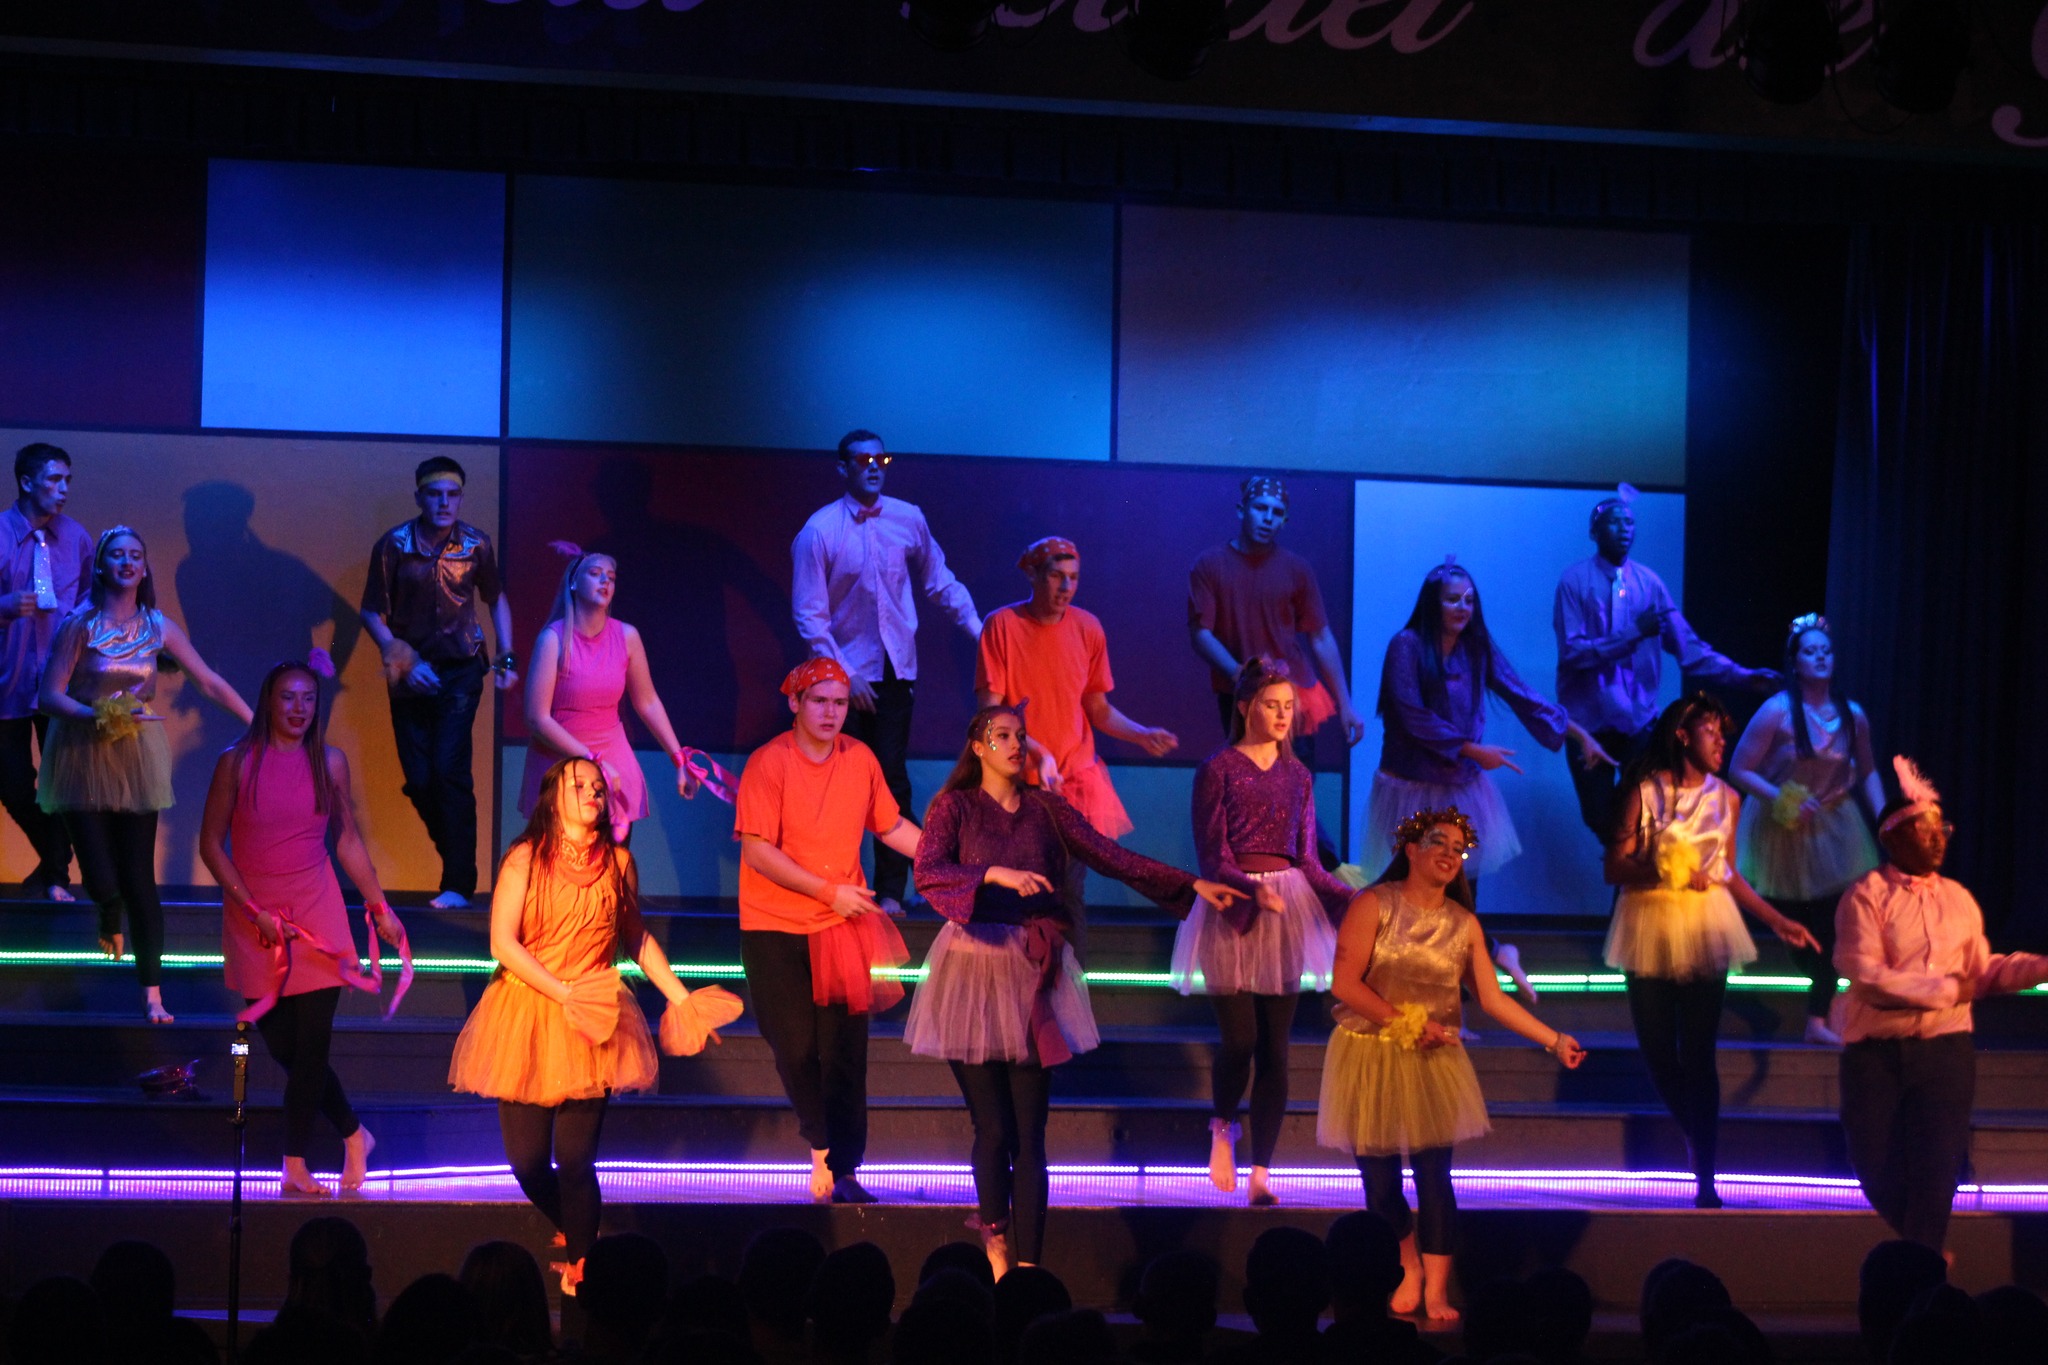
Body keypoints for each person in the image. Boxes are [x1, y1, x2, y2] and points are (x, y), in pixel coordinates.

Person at [908, 702, 1243, 1278]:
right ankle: (995, 1239)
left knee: (1030, 1133)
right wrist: (991, 874)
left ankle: (1030, 1269)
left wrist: (1191, 883)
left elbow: (1111, 856)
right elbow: (929, 871)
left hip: (1032, 969)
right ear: (979, 747)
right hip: (972, 968)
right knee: (993, 1128)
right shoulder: (954, 807)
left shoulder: (1046, 809)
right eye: (1003, 735)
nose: (1017, 744)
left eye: (1021, 735)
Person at [447, 756, 741, 1293]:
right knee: (528, 1161)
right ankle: (579, 1226)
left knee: (576, 1157)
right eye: (578, 784)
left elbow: (636, 937)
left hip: (596, 1015)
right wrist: (563, 994)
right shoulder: (525, 858)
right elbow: (502, 944)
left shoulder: (619, 863)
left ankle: (585, 1268)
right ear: (552, 796)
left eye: (598, 787)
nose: (591, 792)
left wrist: (683, 1000)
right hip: (528, 1010)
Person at [1319, 807, 1585, 1322]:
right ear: (1410, 849)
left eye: (1458, 849)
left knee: (1434, 1177)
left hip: (1433, 1058)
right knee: (1380, 1182)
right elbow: (1345, 984)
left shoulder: (1463, 924)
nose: (1449, 854)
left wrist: (1554, 1041)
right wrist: (1406, 1022)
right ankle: (1407, 1265)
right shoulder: (1373, 903)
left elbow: (1493, 998)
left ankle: (1438, 1289)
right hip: (1369, 1051)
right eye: (1438, 842)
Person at [1601, 693, 1820, 1208]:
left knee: (1699, 1053)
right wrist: (1662, 869)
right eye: (1711, 732)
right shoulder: (1646, 792)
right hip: (1650, 923)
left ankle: (1705, 1172)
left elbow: (1728, 873)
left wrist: (1776, 920)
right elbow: (1614, 866)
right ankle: (1696, 1133)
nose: (1722, 742)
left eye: (1724, 734)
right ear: (1683, 735)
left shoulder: (1727, 798)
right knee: (1658, 1051)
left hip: (1705, 926)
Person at [200, 659, 403, 1196]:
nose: (298, 708)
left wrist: (380, 907)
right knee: (285, 1048)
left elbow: (347, 840)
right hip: (255, 918)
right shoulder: (235, 762)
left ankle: (294, 1163)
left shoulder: (329, 762)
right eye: (288, 697)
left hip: (317, 912)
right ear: (269, 701)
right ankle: (355, 1133)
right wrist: (252, 910)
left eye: (308, 698)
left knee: (311, 1046)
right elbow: (210, 844)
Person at [38, 526, 252, 1023]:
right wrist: (95, 715)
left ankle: (152, 992)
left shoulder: (158, 626)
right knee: (101, 875)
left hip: (135, 756)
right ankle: (107, 909)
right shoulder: (80, 625)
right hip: (83, 753)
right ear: (101, 566)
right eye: (118, 554)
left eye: (136, 555)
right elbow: (48, 695)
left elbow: (208, 681)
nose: (128, 562)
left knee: (139, 877)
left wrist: (255, 720)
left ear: (144, 567)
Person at [1835, 758, 2048, 1251]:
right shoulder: (1865, 897)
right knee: (1871, 1161)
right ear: (1893, 837)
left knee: (1938, 1167)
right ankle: (1925, 1255)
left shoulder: (1959, 899)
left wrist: (2040, 967)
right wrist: (1948, 991)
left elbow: (1981, 972)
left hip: (1945, 1051)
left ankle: (1925, 1264)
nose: (1939, 839)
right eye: (1926, 830)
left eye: (1943, 829)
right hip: (1875, 1053)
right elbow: (1867, 977)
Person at [735, 657, 921, 1205]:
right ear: (795, 703)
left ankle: (843, 1168)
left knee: (844, 1056)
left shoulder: (860, 758)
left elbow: (890, 826)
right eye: (819, 700)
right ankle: (819, 1144)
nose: (831, 712)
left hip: (839, 924)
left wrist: (949, 860)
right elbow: (758, 852)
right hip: (774, 925)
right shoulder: (769, 763)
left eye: (840, 702)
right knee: (795, 1048)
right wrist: (826, 890)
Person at [1170, 658, 1352, 1206]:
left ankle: (1262, 1171)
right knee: (1241, 1039)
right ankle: (1222, 1126)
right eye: (1272, 705)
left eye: (1289, 707)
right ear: (1246, 706)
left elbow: (1309, 861)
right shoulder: (1218, 768)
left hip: (1287, 907)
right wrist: (1251, 891)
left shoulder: (1298, 775)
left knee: (1276, 1046)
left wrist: (1355, 901)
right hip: (1234, 905)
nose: (1282, 715)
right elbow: (1212, 855)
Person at [792, 429, 982, 912]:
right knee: (837, 780)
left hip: (896, 670)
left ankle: (893, 891)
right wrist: (843, 674)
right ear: (843, 468)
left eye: (882, 458)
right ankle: (833, 884)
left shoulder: (907, 518)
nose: (875, 466)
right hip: (839, 680)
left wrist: (982, 633)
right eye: (863, 460)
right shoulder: (820, 530)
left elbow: (939, 581)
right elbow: (810, 614)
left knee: (890, 777)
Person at [976, 536, 1177, 951]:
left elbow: (1097, 709)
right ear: (1033, 575)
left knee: (1068, 894)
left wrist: (1141, 734)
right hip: (1018, 783)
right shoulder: (1002, 626)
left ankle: (1068, 985)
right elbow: (990, 715)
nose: (1066, 587)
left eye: (1073, 578)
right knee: (1017, 896)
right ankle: (1019, 982)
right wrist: (1037, 753)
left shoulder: (1088, 628)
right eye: (1056, 576)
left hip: (1072, 784)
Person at [1366, 557, 1613, 887]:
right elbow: (1413, 716)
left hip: (1461, 784)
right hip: (1412, 785)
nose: (1463, 607)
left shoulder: (1475, 649)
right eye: (1453, 599)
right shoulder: (1407, 645)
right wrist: (1472, 750)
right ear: (1432, 603)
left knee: (1461, 887)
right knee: (1414, 885)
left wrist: (1580, 734)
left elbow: (1521, 694)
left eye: (1469, 600)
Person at [1553, 485, 1776, 847]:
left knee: (1645, 816)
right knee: (1599, 817)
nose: (1624, 529)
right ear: (1594, 531)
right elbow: (1573, 653)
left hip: (1637, 722)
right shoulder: (1574, 581)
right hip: (1589, 723)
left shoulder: (1649, 583)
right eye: (1614, 522)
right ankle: (1621, 865)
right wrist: (1631, 634)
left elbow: (1690, 649)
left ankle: (1631, 876)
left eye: (1630, 522)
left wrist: (1744, 677)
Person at [360, 456, 516, 910]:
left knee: (449, 769)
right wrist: (402, 659)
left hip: (461, 668)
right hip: (409, 671)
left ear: (461, 498)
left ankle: (459, 882)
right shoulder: (394, 545)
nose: (444, 503)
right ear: (419, 497)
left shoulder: (476, 544)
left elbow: (495, 598)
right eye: (434, 494)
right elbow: (371, 611)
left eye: (453, 495)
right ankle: (455, 857)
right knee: (420, 778)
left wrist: (506, 655)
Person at [1728, 613, 1883, 1045]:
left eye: (1826, 651)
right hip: (1782, 827)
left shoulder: (1852, 715)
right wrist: (1782, 797)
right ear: (1795, 662)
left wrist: (1886, 816)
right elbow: (1739, 768)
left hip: (1834, 827)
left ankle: (1818, 1018)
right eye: (1810, 651)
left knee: (1834, 924)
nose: (1820, 657)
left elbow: (1868, 770)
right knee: (1796, 927)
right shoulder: (1776, 711)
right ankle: (1820, 1000)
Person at [522, 546, 702, 840]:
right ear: (573, 582)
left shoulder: (627, 636)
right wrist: (592, 760)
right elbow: (536, 718)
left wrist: (679, 760)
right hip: (562, 763)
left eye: (611, 577)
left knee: (613, 859)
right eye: (595, 574)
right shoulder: (553, 639)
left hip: (612, 760)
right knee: (558, 858)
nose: (605, 581)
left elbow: (648, 702)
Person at [1188, 475, 1364, 750]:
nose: (1268, 518)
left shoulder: (1297, 569)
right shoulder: (1210, 565)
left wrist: (1346, 705)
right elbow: (1201, 633)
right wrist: (1237, 674)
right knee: (1245, 771)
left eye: (1277, 512)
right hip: (1240, 695)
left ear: (1284, 521)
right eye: (1260, 508)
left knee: (1295, 773)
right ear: (1241, 510)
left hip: (1291, 692)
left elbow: (1321, 637)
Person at [0, 442, 90, 902]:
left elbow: (92, 599)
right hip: (8, 683)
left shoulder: (75, 537)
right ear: (27, 481)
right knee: (12, 783)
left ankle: (55, 874)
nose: (63, 489)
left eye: (67, 480)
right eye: (55, 479)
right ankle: (56, 858)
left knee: (64, 786)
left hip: (59, 684)